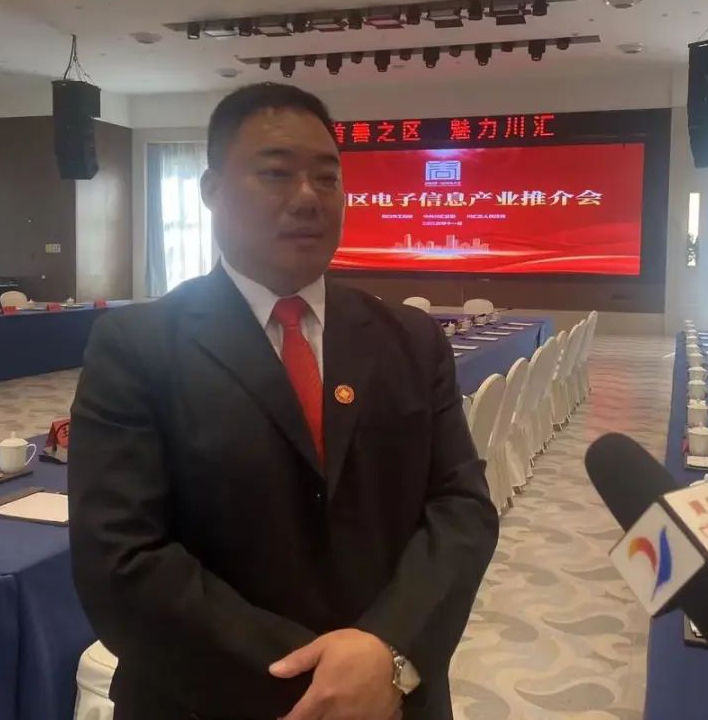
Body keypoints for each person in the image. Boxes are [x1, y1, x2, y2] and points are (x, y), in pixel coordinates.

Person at [69, 82, 499, 720]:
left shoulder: (410, 340)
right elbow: (120, 559)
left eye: (327, 178)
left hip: (392, 697)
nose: (307, 197)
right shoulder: (137, 346)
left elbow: (461, 507)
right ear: (212, 190)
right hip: (212, 701)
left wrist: (389, 653)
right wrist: (318, 683)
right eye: (276, 173)